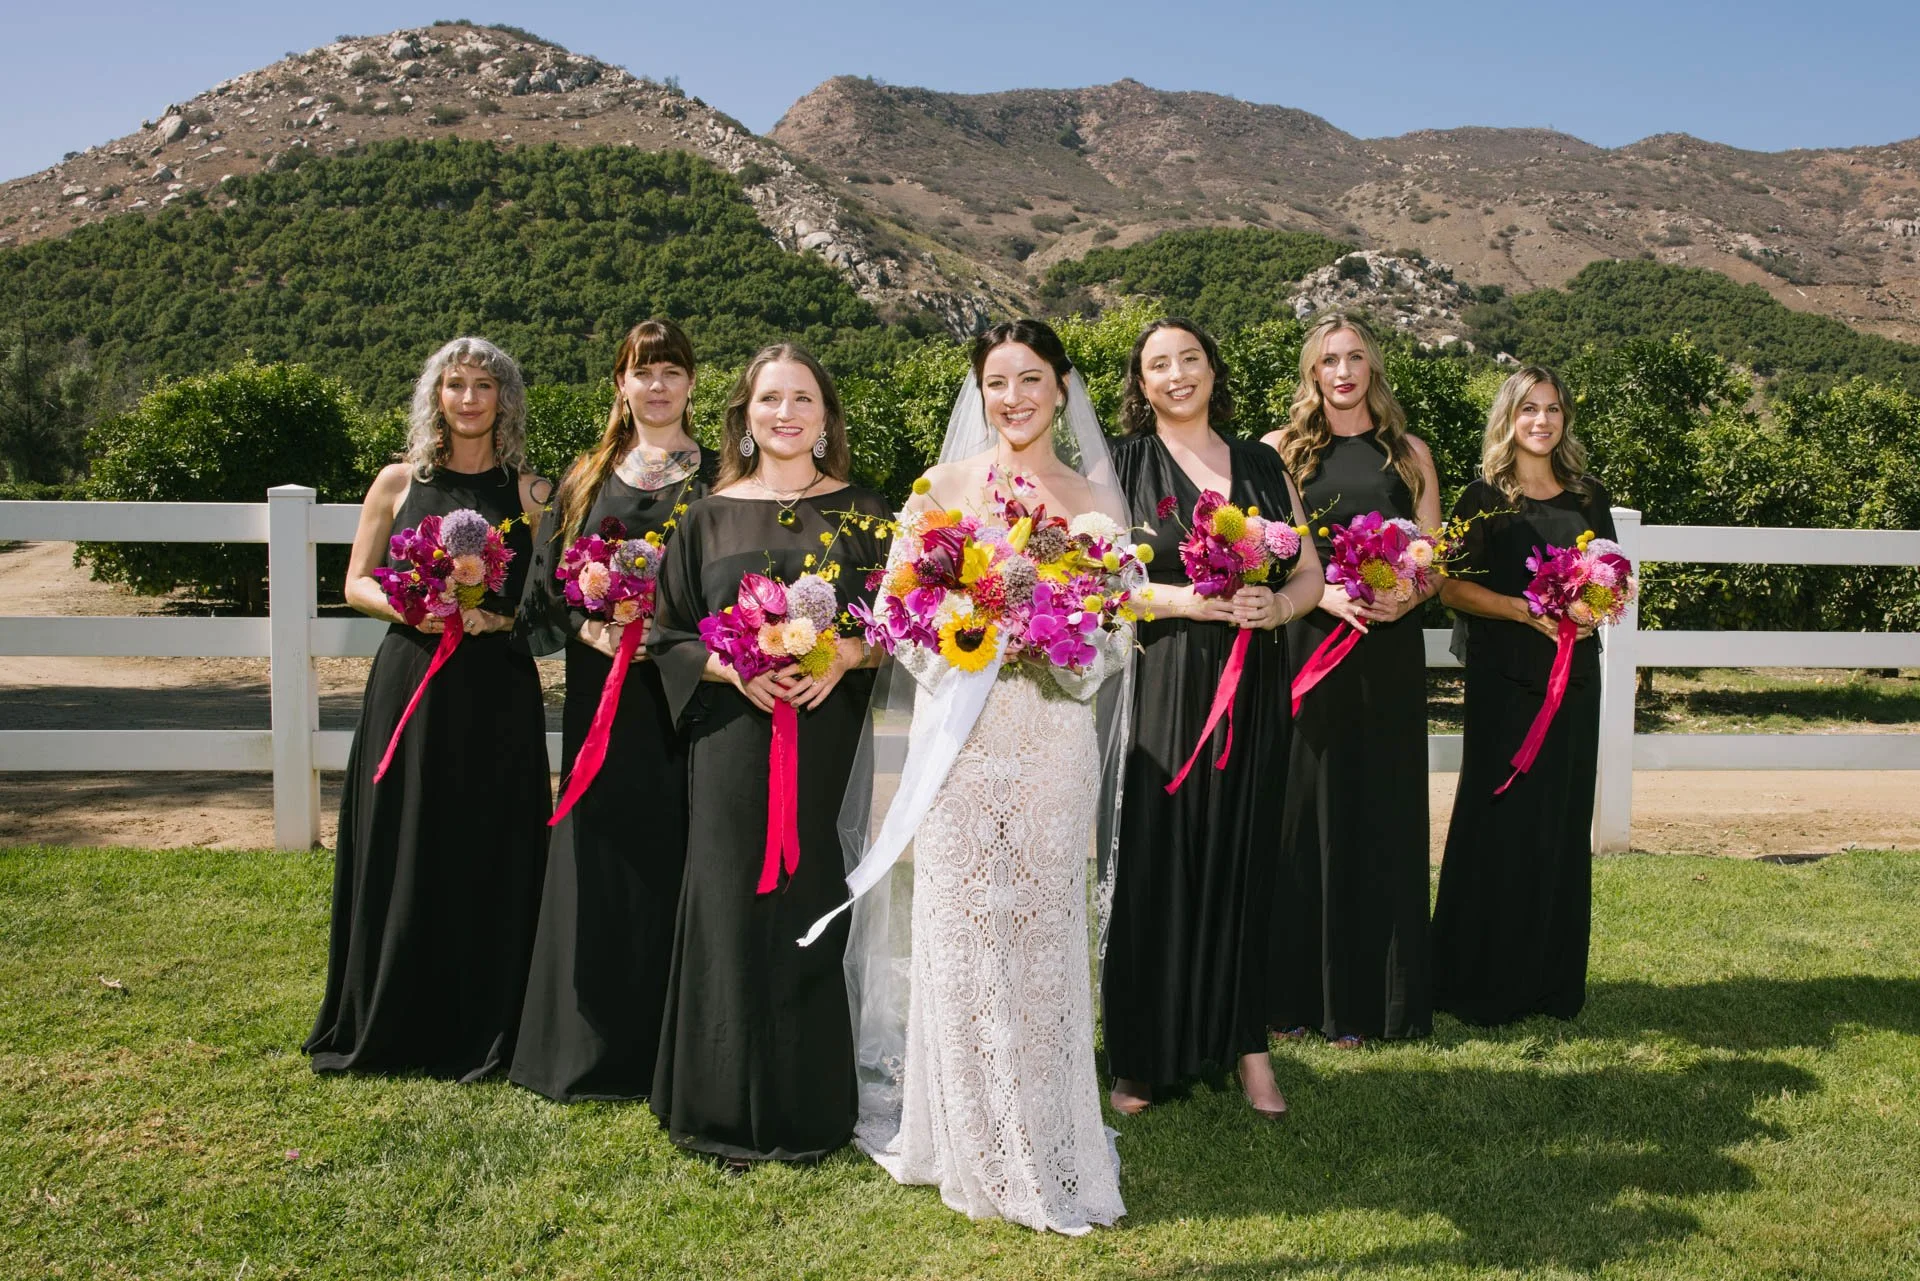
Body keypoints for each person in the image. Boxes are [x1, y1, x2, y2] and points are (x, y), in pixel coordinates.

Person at [846, 319, 1130, 1233]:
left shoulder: (1091, 498)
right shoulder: (940, 488)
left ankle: (1047, 1126)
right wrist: (974, 641)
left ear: (1061, 387)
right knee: (965, 915)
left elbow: (1116, 629)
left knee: (1042, 920)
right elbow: (896, 608)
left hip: (1051, 727)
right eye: (998, 382)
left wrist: (1055, 638)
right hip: (963, 735)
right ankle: (964, 1128)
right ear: (979, 392)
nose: (1015, 397)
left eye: (1032, 379)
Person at [647, 343, 890, 1164]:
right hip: (731, 740)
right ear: (744, 418)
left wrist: (849, 656)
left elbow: (903, 624)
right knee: (726, 898)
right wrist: (728, 665)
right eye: (768, 399)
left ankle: (810, 1105)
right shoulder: (707, 515)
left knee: (811, 897)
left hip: (823, 743)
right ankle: (714, 1100)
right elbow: (664, 631)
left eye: (802, 399)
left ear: (826, 418)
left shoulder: (866, 513)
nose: (785, 412)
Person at [306, 337, 551, 1080]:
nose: (470, 398)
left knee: (491, 839)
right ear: (435, 396)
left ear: (505, 399)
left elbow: (548, 602)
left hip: (496, 690)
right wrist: (411, 606)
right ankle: (394, 1014)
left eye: (485, 385)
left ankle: (489, 1020)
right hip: (410, 682)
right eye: (456, 385)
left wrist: (501, 620)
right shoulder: (396, 482)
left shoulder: (535, 494)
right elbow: (355, 581)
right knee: (405, 834)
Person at [1104, 318, 1323, 1118]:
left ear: (1211, 369)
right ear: (1142, 381)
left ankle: (1248, 1048)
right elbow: (1098, 581)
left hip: (1254, 685)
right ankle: (1141, 1055)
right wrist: (1186, 600)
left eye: (1189, 358)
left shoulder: (1263, 463)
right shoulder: (1120, 465)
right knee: (1158, 860)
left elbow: (1311, 572)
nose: (1176, 374)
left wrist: (1279, 606)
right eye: (1158, 364)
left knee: (1245, 854)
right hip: (1162, 683)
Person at [510, 319, 716, 1102]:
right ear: (620, 385)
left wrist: (664, 635)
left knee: (678, 851)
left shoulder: (721, 475)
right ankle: (590, 1045)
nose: (657, 385)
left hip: (689, 696)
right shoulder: (587, 478)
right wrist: (599, 624)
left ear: (692, 382)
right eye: (642, 371)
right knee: (598, 854)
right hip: (603, 691)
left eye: (671, 370)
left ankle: (668, 1044)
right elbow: (546, 590)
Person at [1263, 311, 1442, 1047]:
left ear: (1373, 367)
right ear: (1312, 371)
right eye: (1329, 359)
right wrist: (1328, 592)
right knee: (1306, 815)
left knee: (1383, 808)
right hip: (1312, 642)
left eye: (1355, 357)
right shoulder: (1279, 452)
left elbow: (1431, 550)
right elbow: (1275, 547)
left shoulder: (1409, 451)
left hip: (1389, 654)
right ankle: (1299, 998)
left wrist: (1409, 591)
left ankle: (1380, 1002)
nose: (1343, 370)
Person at [1433, 366, 1615, 1025]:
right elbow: (1449, 587)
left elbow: (1611, 575)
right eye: (1529, 409)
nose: (1542, 420)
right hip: (1506, 681)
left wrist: (1597, 605)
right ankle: (1479, 982)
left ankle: (1550, 981)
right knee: (1500, 821)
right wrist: (1518, 608)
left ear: (1565, 419)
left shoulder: (1590, 496)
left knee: (1562, 820)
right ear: (1509, 417)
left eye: (1553, 409)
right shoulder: (1483, 496)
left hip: (1575, 678)